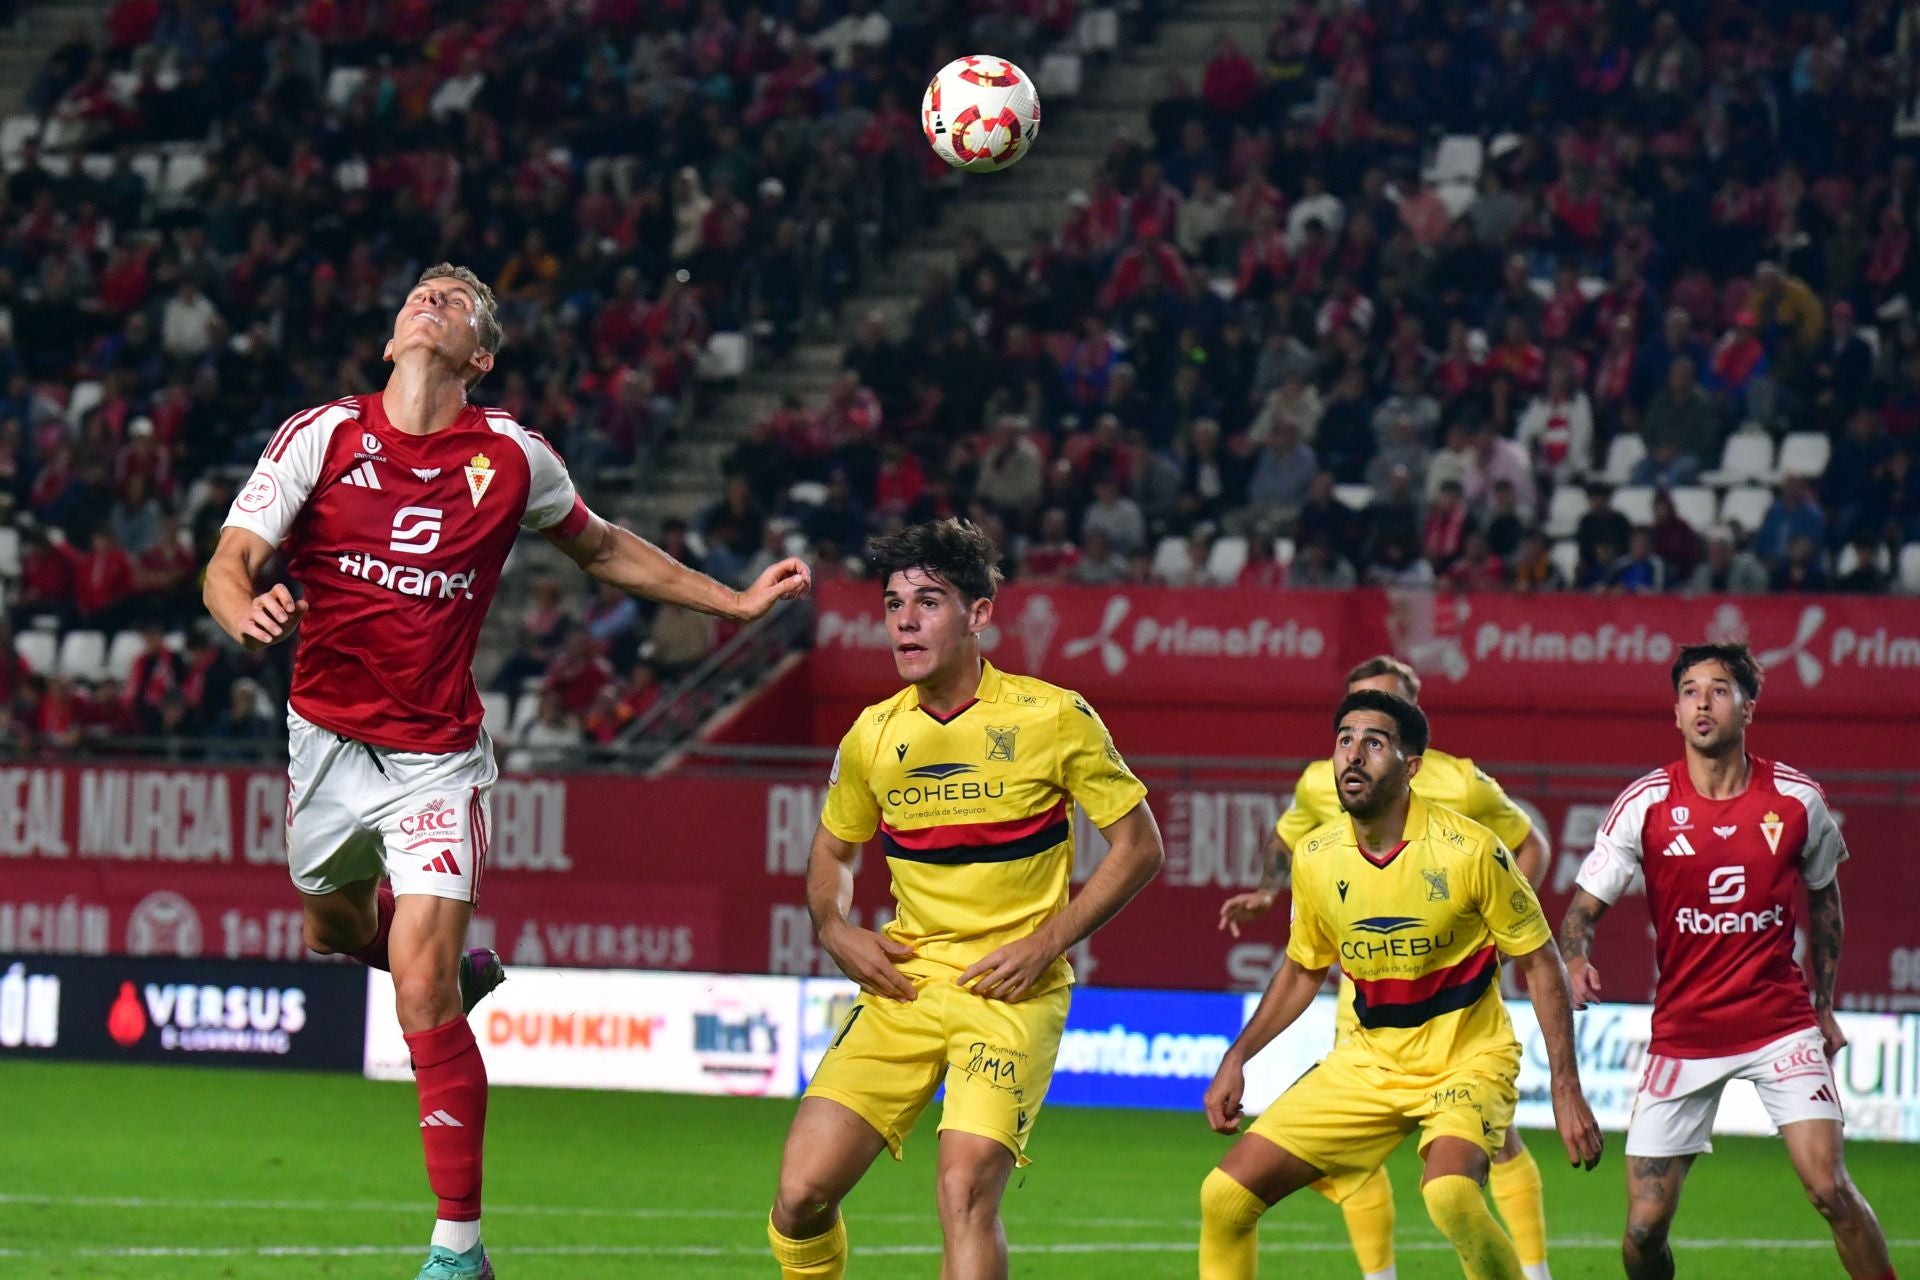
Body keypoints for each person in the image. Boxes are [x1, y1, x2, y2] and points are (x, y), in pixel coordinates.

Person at [203, 264, 811, 1280]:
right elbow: (231, 557)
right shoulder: (321, 434)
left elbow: (606, 548)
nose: (429, 299)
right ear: (394, 335)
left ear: (481, 354)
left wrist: (734, 602)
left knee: (423, 990)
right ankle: (419, 959)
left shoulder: (512, 458)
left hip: (434, 760)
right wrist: (239, 608)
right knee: (333, 928)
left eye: (457, 298)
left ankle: (458, 1246)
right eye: (418, 293)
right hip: (324, 741)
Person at [769, 518, 1164, 1280]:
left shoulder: (1053, 717)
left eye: (929, 601)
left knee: (965, 1189)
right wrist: (834, 927)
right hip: (905, 982)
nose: (905, 621)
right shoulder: (873, 736)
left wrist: (1046, 943)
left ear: (979, 614)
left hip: (1010, 993)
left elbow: (1140, 848)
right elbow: (831, 854)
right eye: (892, 604)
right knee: (800, 1195)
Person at [1199, 690, 1603, 1280]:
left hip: (1468, 1060)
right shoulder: (1316, 856)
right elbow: (1303, 968)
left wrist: (1566, 1089)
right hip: (1370, 1063)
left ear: (1411, 766)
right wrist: (1238, 1056)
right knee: (1225, 1198)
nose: (1353, 756)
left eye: (1374, 743)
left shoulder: (1470, 850)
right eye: (1344, 741)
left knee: (1450, 1197)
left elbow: (1541, 963)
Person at [1558, 644, 1898, 1280]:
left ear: (1748, 708)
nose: (1703, 702)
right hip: (1684, 1034)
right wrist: (1576, 959)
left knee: (1829, 1187)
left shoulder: (1798, 800)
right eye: (1690, 691)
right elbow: (1578, 916)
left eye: (1719, 689)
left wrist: (1823, 1006)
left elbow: (1825, 904)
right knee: (1643, 1228)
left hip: (1779, 1024)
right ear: (1676, 713)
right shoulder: (1646, 803)